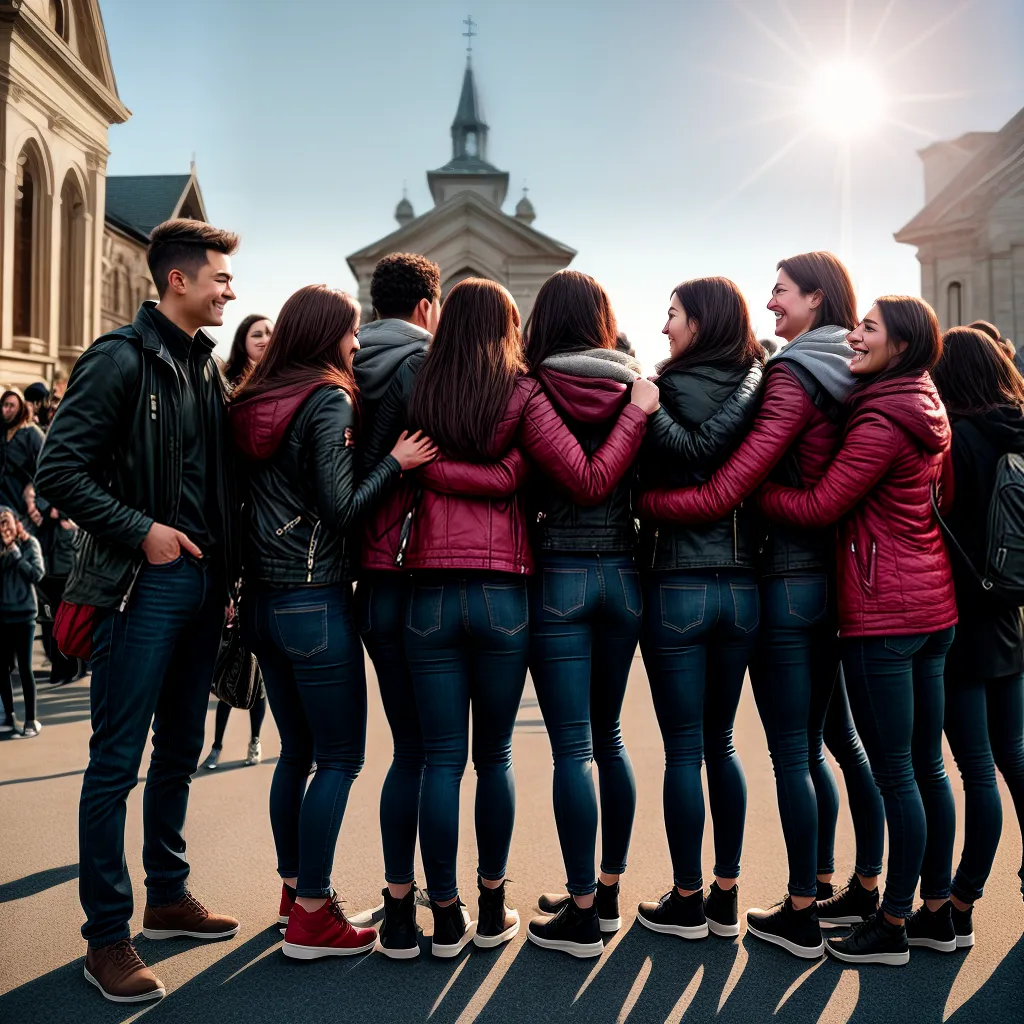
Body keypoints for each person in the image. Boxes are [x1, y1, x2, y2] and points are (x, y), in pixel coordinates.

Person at [637, 253, 886, 958]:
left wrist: (648, 504)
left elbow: (729, 488)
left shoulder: (792, 376)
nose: (770, 303)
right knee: (831, 746)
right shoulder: (858, 370)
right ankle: (856, 883)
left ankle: (793, 909)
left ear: (815, 297)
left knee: (787, 753)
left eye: (780, 292)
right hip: (832, 577)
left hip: (778, 575)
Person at [403, 278, 658, 958]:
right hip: (544, 584)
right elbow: (594, 476)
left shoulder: (423, 384)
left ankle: (448, 917)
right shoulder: (535, 392)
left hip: (452, 584)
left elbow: (394, 463)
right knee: (541, 749)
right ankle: (564, 901)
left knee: (443, 761)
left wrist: (441, 475)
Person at [36, 218, 243, 1003]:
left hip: (199, 587)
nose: (231, 290)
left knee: (181, 748)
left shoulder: (204, 367)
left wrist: (225, 580)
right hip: (137, 585)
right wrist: (143, 531)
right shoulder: (120, 358)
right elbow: (59, 469)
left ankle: (167, 893)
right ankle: (106, 939)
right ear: (179, 281)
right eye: (221, 278)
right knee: (115, 762)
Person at [231, 284, 435, 960]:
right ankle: (315, 915)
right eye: (351, 331)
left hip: (261, 600)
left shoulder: (253, 397)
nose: (358, 342)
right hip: (315, 599)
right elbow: (343, 506)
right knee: (341, 757)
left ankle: (293, 894)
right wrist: (395, 463)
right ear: (327, 335)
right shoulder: (328, 399)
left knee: (295, 753)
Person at [759, 295, 957, 966]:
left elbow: (819, 504)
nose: (855, 336)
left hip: (884, 612)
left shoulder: (878, 418)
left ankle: (891, 923)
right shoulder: (926, 404)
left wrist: (757, 493)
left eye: (869, 328)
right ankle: (935, 913)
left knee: (899, 772)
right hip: (932, 605)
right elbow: (942, 499)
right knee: (927, 768)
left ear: (900, 344)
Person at [634, 277, 764, 943]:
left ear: (703, 321)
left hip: (677, 582)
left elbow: (639, 479)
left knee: (683, 748)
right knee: (724, 742)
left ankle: (687, 900)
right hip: (742, 585)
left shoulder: (664, 391)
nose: (664, 328)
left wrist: (648, 408)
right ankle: (727, 892)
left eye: (674, 315)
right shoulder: (761, 385)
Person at [350, 252, 441, 955]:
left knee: (403, 751)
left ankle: (397, 905)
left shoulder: (342, 367)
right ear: (426, 308)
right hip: (425, 574)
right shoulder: (427, 370)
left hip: (371, 578)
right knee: (441, 751)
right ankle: (448, 903)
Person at [932, 327, 1024, 939]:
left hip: (961, 616)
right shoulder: (1018, 430)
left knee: (976, 770)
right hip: (1011, 617)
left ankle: (960, 906)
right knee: (1014, 757)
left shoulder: (957, 441)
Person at [201, 312, 274, 770]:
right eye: (257, 332)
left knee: (259, 664)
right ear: (242, 341)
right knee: (232, 657)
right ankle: (217, 743)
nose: (266, 339)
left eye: (271, 333)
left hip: (264, 533)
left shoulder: (283, 382)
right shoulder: (227, 388)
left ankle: (255, 739)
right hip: (235, 525)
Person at [0, 507, 44, 736]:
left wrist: (15, 553)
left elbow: (36, 574)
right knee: (3, 669)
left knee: (25, 668)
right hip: (3, 616)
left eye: (7, 522)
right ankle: (8, 715)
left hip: (25, 614)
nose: (4, 528)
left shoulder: (29, 545)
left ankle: (31, 720)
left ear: (17, 523)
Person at [1, 388, 45, 529]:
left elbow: (45, 468)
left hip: (23, 509)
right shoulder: (1, 433)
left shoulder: (32, 434)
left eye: (12, 406)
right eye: (5, 405)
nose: (7, 410)